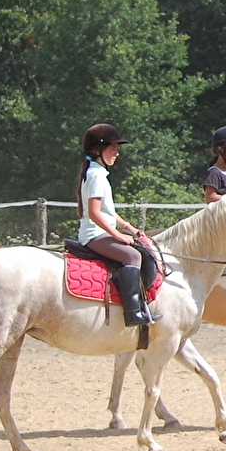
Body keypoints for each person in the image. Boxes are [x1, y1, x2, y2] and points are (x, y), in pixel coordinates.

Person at [76, 123, 155, 327]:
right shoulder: (96, 175)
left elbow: (107, 212)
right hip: (94, 235)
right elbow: (94, 213)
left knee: (141, 249)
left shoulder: (98, 173)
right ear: (98, 150)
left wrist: (128, 227)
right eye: (113, 149)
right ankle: (132, 313)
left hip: (101, 232)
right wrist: (117, 235)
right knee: (133, 255)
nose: (117, 153)